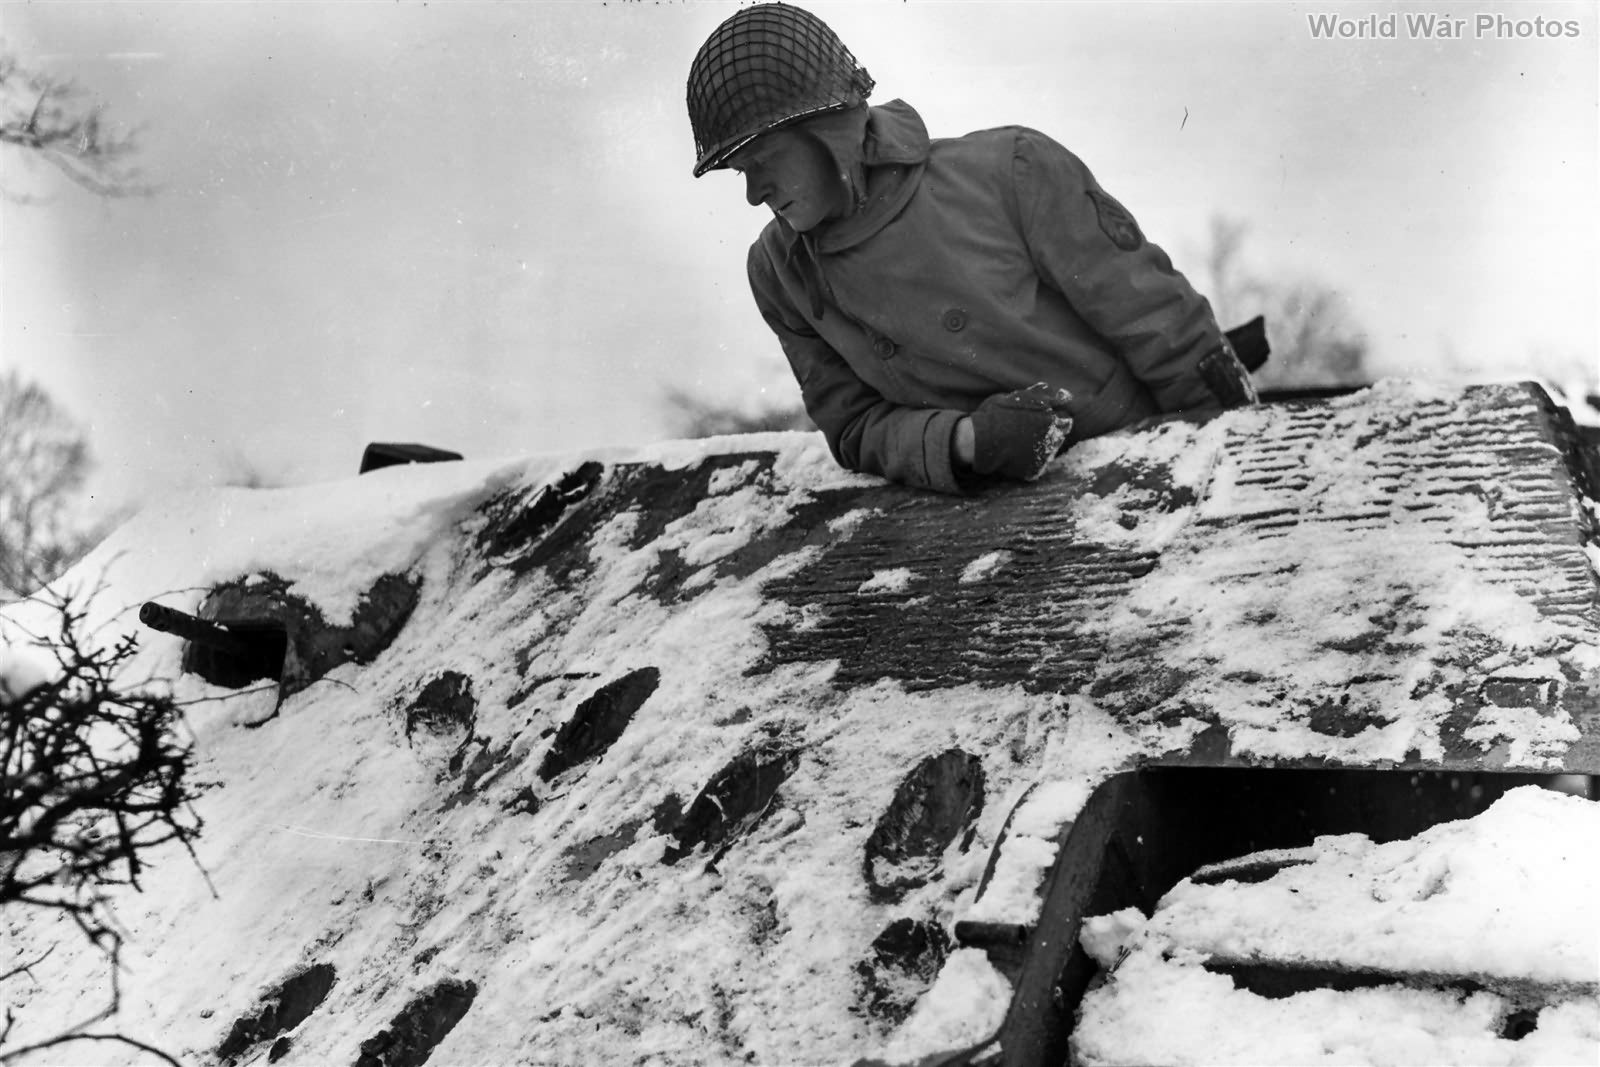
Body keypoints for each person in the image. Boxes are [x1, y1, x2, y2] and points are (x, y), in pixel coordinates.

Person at [686, 2, 1259, 494]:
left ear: (828, 133)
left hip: (1138, 466)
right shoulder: (778, 272)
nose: (754, 194)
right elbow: (855, 427)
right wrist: (968, 441)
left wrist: (1235, 449)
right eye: (741, 171)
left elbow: (1160, 322)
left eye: (764, 162)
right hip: (982, 525)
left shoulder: (1010, 171)